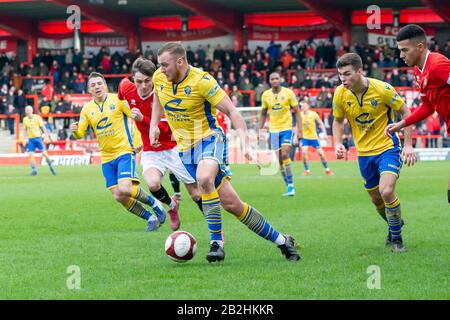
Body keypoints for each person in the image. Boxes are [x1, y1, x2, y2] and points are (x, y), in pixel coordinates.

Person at [150, 42, 300, 263]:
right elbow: (157, 99)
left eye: (165, 65)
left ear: (180, 62)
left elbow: (232, 111)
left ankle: (216, 243)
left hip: (210, 139)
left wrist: (247, 146)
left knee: (204, 178)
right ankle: (281, 240)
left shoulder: (203, 81)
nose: (161, 69)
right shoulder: (159, 77)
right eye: (159, 65)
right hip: (185, 150)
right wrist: (154, 123)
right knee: (233, 205)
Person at [332, 53, 416, 253]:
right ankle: (394, 224)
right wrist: (337, 143)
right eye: (340, 75)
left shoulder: (382, 89)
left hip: (388, 148)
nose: (343, 79)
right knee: (376, 199)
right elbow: (337, 120)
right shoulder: (340, 93)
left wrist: (408, 145)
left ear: (360, 71)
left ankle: (397, 239)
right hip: (363, 153)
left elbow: (406, 112)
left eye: (347, 74)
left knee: (386, 191)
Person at [70, 72, 166, 232]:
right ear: (89, 89)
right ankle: (150, 218)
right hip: (106, 157)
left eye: (99, 83)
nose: (97, 87)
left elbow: (135, 117)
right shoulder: (87, 109)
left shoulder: (118, 100)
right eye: (93, 85)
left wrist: (137, 141)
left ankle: (156, 204)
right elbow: (80, 132)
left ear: (105, 85)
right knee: (119, 196)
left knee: (126, 188)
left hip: (123, 151)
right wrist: (75, 131)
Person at [118, 58, 203, 231]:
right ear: (133, 79)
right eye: (139, 81)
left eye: (147, 81)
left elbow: (168, 130)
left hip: (174, 148)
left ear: (154, 79)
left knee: (195, 194)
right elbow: (120, 93)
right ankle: (172, 206)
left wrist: (143, 119)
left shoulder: (164, 95)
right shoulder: (127, 88)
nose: (143, 86)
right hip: (151, 151)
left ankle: (217, 231)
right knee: (153, 184)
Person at [385, 24, 450, 203]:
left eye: (405, 50)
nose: (401, 55)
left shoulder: (438, 65)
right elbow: (428, 107)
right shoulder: (418, 71)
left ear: (420, 47)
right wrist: (402, 124)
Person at [258, 72, 302, 196]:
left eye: (277, 78)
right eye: (272, 79)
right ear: (269, 81)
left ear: (280, 79)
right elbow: (262, 113)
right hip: (273, 130)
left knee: (285, 154)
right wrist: (260, 130)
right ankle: (288, 186)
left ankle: (292, 186)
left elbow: (297, 112)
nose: (275, 80)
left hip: (287, 128)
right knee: (280, 161)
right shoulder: (265, 95)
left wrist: (300, 130)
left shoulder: (289, 93)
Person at [299, 100, 334, 176]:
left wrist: (324, 134)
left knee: (321, 153)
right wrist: (296, 135)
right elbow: (296, 125)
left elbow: (321, 123)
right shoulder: (300, 115)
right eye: (301, 106)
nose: (302, 107)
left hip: (313, 137)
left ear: (308, 106)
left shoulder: (313, 114)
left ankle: (327, 169)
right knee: (304, 153)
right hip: (305, 137)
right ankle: (307, 170)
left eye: (304, 106)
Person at [22, 105, 57, 176]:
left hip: (38, 138)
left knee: (44, 154)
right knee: (30, 155)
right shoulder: (25, 119)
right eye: (27, 110)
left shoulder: (37, 117)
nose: (28, 111)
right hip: (31, 140)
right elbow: (25, 130)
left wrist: (46, 136)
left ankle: (51, 167)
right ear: (25, 112)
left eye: (29, 110)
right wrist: (24, 139)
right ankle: (34, 170)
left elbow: (43, 127)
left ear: (32, 110)